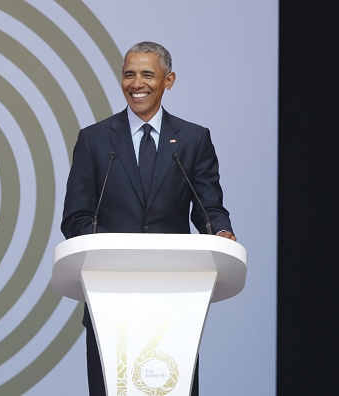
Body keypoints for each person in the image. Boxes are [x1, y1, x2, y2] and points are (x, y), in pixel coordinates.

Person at [61, 41, 236, 396]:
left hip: (174, 301)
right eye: (129, 74)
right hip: (109, 297)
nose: (136, 83)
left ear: (168, 81)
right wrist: (115, 247)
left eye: (147, 74)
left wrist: (220, 230)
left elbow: (209, 207)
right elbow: (76, 217)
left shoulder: (192, 139)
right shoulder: (94, 140)